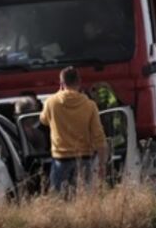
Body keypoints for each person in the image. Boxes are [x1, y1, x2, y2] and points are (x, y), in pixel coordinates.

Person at [39, 67, 108, 196]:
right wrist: (102, 163)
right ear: (79, 82)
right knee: (82, 197)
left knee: (58, 198)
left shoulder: (51, 102)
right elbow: (98, 135)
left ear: (61, 83)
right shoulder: (90, 105)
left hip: (61, 158)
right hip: (84, 158)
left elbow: (43, 121)